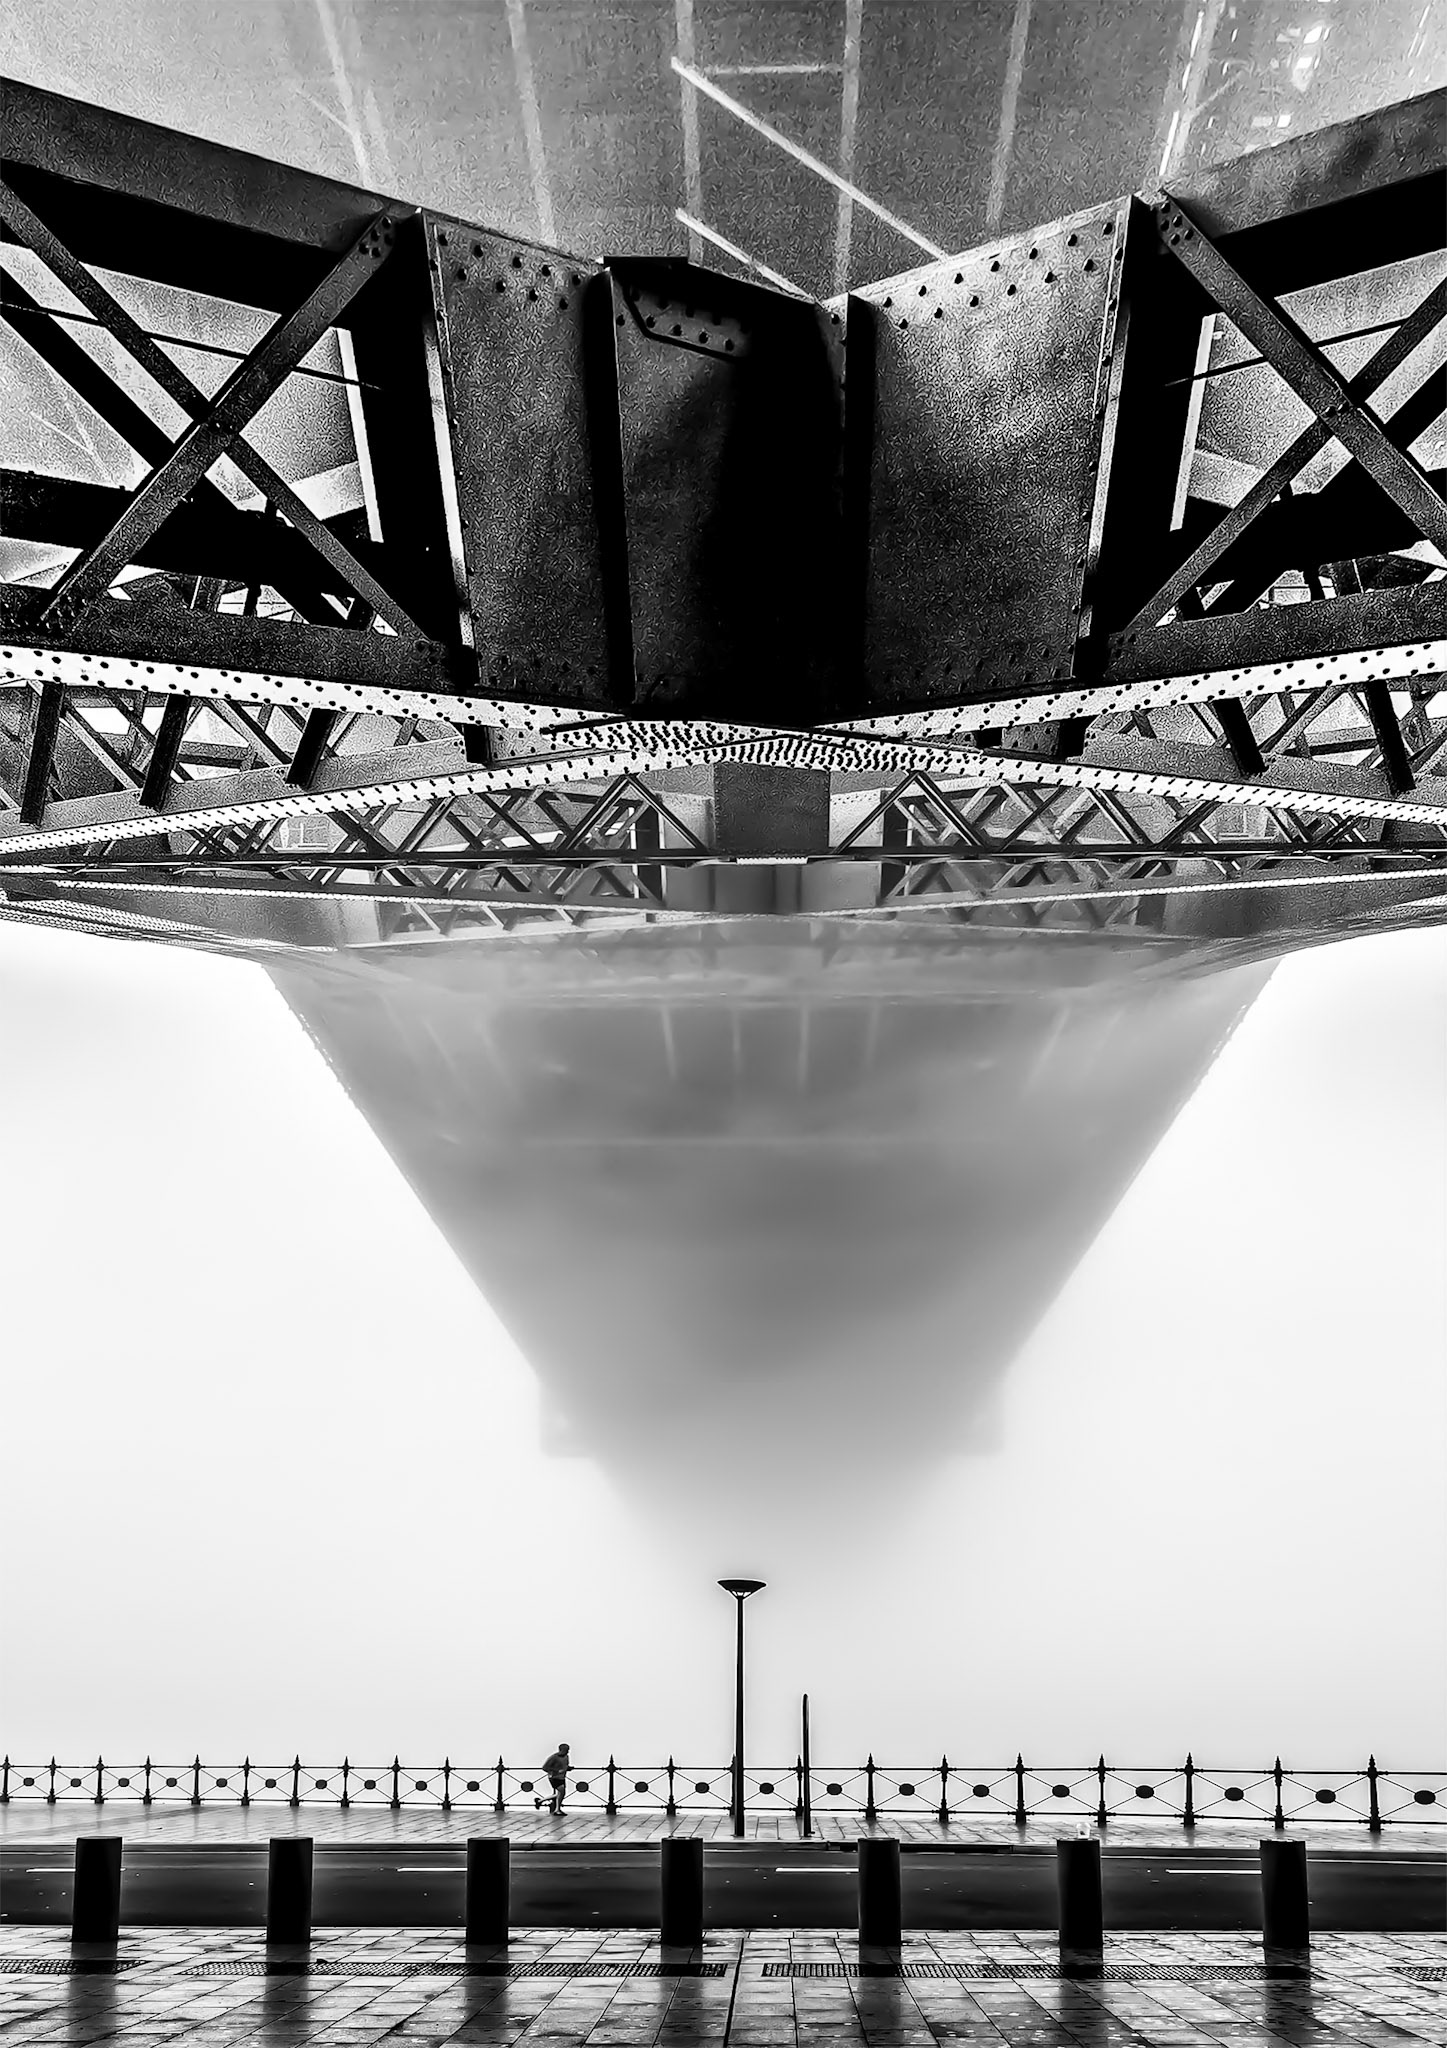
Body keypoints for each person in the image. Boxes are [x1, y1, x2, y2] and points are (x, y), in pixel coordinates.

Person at [535, 1743, 570, 1815]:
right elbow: (544, 1767)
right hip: (554, 1777)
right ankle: (557, 1809)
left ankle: (540, 1801)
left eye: (568, 1750)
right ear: (561, 1750)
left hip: (562, 1777)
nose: (567, 1751)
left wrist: (567, 1768)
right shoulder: (553, 1757)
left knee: (560, 1794)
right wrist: (557, 1770)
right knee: (562, 1792)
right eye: (566, 1750)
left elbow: (565, 1766)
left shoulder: (566, 1757)